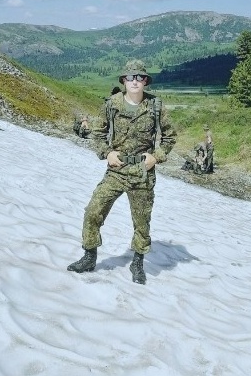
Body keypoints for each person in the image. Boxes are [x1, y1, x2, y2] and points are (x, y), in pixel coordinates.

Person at [67, 59, 177, 284]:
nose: (135, 81)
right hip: (116, 170)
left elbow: (170, 137)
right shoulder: (112, 104)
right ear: (124, 81)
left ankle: (137, 262)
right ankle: (89, 256)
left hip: (142, 172)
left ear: (145, 81)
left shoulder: (155, 106)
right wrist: (107, 152)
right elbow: (98, 134)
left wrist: (156, 156)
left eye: (139, 77)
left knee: (142, 222)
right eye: (130, 77)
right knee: (93, 211)